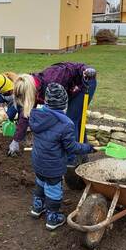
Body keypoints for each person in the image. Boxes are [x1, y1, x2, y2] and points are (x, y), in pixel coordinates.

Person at [29, 83, 94, 230]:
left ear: (46, 101)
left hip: (38, 161)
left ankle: (37, 207)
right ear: (64, 104)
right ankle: (52, 218)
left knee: (40, 182)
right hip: (53, 166)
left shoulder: (36, 115)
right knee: (53, 189)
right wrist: (87, 148)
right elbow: (71, 147)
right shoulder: (66, 124)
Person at [8, 62, 97, 164]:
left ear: (29, 93)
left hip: (84, 84)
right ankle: (83, 155)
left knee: (71, 120)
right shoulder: (31, 89)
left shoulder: (54, 77)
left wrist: (86, 70)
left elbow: (76, 67)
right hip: (70, 90)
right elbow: (25, 115)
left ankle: (71, 161)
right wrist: (16, 140)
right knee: (76, 119)